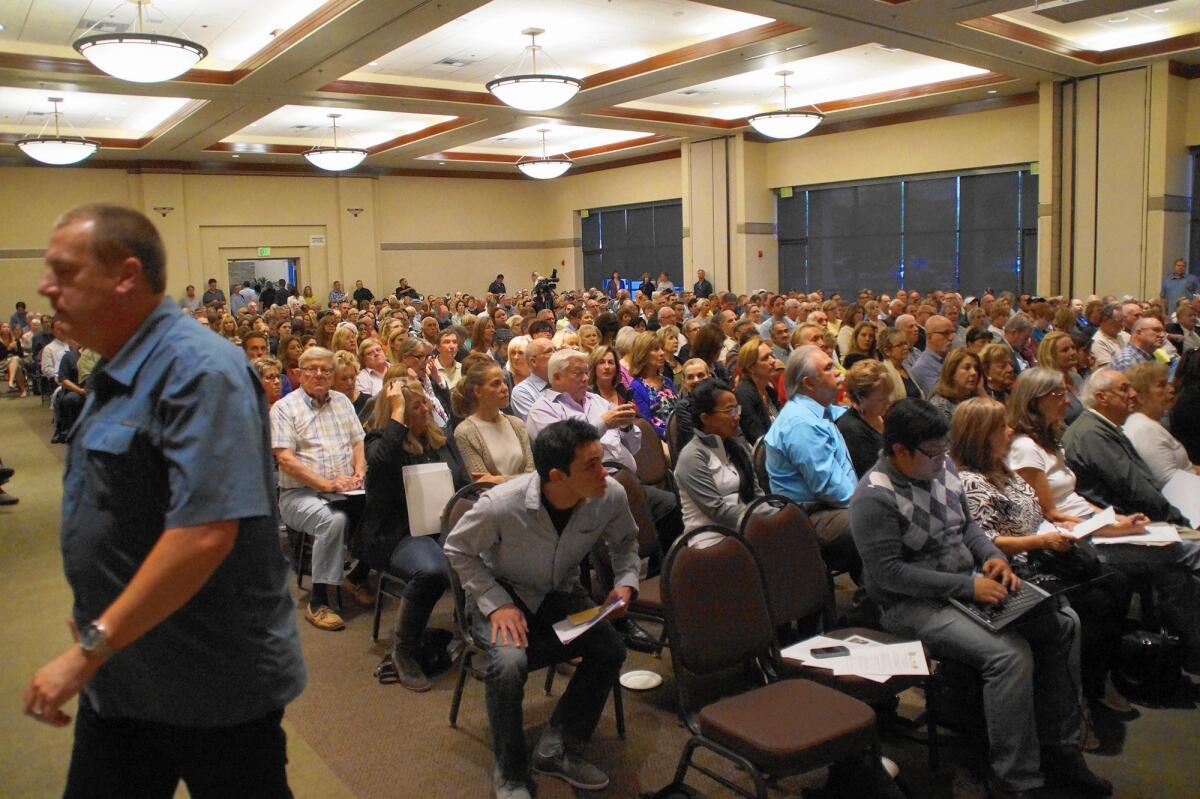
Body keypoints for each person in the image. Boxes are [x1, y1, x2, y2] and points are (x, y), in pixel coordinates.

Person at [24, 204, 304, 796]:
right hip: (128, 667)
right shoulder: (122, 364)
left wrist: (87, 649)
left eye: (64, 271)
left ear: (126, 275)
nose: (46, 287)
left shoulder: (201, 369)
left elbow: (205, 533)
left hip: (211, 679)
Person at [850, 399, 1109, 799]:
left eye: (945, 450)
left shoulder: (943, 467)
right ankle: (1016, 779)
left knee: (1064, 623)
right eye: (934, 453)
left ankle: (1061, 748)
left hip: (962, 584)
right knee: (1009, 655)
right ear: (900, 451)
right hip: (909, 605)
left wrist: (992, 557)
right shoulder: (873, 497)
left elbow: (968, 528)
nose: (943, 461)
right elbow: (890, 576)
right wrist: (968, 587)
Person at [444, 418, 638, 799]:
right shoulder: (503, 504)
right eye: (591, 466)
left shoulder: (609, 494)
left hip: (557, 591)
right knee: (509, 663)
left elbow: (626, 543)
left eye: (602, 461)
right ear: (556, 475)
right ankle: (511, 772)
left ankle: (558, 745)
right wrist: (496, 604)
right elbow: (457, 550)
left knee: (610, 648)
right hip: (500, 592)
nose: (605, 472)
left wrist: (625, 582)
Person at [1008, 367, 1200, 676]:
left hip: (1090, 525)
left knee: (1173, 569)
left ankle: (1188, 651)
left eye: (1064, 392)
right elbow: (1049, 512)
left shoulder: (1051, 439)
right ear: (1034, 402)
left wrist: (1113, 518)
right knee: (1185, 549)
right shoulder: (1024, 448)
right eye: (1057, 395)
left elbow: (1075, 498)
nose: (1066, 400)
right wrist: (1111, 526)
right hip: (1070, 541)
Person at [951, 397, 1131, 715]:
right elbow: (985, 541)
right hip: (1015, 565)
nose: (1009, 431)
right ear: (982, 435)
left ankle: (1098, 679)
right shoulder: (970, 482)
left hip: (1044, 551)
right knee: (1091, 607)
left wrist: (1080, 527)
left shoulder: (1006, 469)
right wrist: (1041, 540)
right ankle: (1078, 699)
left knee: (1117, 583)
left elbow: (1041, 512)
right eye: (1000, 427)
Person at [361, 371, 469, 691]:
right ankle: (403, 650)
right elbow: (380, 465)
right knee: (433, 570)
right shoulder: (379, 441)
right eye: (415, 407)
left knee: (486, 549)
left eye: (425, 403)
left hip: (439, 525)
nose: (425, 410)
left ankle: (477, 633)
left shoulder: (438, 440)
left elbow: (461, 481)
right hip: (396, 533)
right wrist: (396, 414)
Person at [271, 346, 372, 631]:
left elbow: (357, 441)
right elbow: (286, 460)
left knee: (382, 507)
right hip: (300, 495)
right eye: (312, 369)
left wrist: (359, 471)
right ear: (300, 373)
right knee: (333, 520)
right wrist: (326, 483)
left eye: (326, 370)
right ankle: (319, 601)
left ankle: (358, 575)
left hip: (346, 490)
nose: (319, 374)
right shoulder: (285, 408)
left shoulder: (341, 401)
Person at [763, 345, 862, 582]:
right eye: (828, 368)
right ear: (809, 383)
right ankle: (875, 601)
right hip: (806, 516)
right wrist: (869, 501)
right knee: (877, 518)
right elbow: (830, 488)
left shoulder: (821, 410)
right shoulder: (801, 424)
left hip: (826, 507)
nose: (838, 371)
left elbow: (847, 414)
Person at [674, 378, 763, 532]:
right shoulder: (691, 457)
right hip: (711, 537)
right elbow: (717, 512)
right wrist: (761, 518)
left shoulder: (738, 448)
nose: (737, 416)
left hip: (748, 526)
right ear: (705, 418)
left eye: (737, 409)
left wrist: (774, 512)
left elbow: (756, 495)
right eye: (730, 410)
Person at [452, 359, 535, 482]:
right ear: (478, 391)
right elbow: (484, 485)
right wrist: (518, 480)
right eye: (496, 384)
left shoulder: (517, 424)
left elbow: (532, 476)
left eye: (504, 382)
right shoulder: (465, 432)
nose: (505, 388)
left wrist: (500, 480)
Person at [1123, 361, 1197, 488]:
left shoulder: (1150, 423)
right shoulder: (1146, 431)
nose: (1171, 389)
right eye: (1161, 386)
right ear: (1140, 396)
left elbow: (1187, 469)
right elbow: (1171, 484)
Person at [836, 360, 894, 478]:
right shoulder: (851, 429)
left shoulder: (879, 414)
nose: (888, 402)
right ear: (861, 398)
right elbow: (871, 474)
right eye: (882, 399)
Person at [628, 331, 677, 437]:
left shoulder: (667, 381)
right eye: (656, 349)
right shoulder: (636, 387)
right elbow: (647, 424)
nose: (662, 353)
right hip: (659, 439)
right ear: (643, 354)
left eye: (661, 348)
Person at [733, 336, 781, 444]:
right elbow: (757, 438)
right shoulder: (743, 396)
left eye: (772, 355)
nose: (773, 361)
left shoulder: (769, 390)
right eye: (765, 358)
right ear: (751, 367)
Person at [1036, 331, 1085, 425]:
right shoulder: (1048, 387)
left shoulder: (1077, 377)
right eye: (1065, 350)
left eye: (1073, 347)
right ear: (1050, 356)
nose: (1073, 352)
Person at [927, 347, 982, 424]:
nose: (974, 372)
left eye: (976, 368)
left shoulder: (971, 399)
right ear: (952, 372)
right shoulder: (940, 406)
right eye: (967, 368)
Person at [908, 314, 956, 396]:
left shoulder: (952, 359)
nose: (951, 338)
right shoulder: (921, 368)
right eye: (946, 333)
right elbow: (943, 397)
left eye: (952, 333)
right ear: (930, 336)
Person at [509, 337, 554, 420]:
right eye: (549, 352)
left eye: (556, 350)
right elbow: (541, 426)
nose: (556, 354)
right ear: (533, 361)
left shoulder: (564, 383)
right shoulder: (522, 392)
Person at [878, 327, 921, 401]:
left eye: (905, 343)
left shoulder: (905, 368)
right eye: (900, 345)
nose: (905, 347)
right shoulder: (884, 374)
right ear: (887, 351)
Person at [1089, 304, 1128, 369]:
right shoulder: (1098, 342)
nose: (1123, 324)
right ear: (1105, 320)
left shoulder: (1124, 335)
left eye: (1123, 320)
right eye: (1119, 321)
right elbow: (1109, 370)